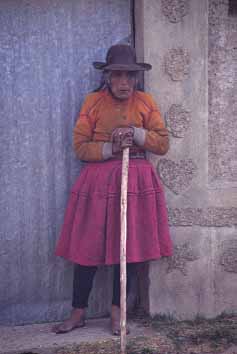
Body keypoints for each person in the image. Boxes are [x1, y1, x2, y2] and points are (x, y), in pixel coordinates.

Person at [53, 44, 173, 335]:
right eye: (117, 76)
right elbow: (81, 147)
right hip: (98, 182)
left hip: (136, 182)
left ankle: (117, 313)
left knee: (128, 247)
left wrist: (137, 134)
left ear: (135, 78)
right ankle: (78, 312)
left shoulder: (145, 102)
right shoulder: (92, 102)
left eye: (129, 76)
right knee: (87, 246)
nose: (124, 83)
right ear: (107, 76)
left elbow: (162, 143)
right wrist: (110, 146)